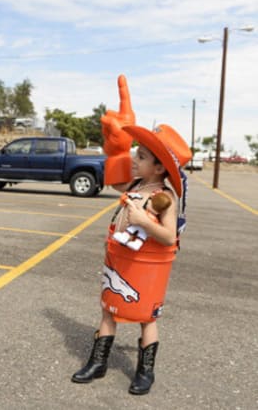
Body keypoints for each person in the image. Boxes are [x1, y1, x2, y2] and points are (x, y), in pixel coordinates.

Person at [71, 75, 191, 395]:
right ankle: (98, 363)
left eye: (140, 157)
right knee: (109, 308)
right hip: (121, 258)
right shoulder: (137, 186)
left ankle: (145, 371)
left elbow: (168, 237)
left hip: (148, 266)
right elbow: (115, 181)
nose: (135, 162)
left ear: (160, 167)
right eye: (135, 156)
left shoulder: (166, 197)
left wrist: (144, 220)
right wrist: (117, 149)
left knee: (146, 317)